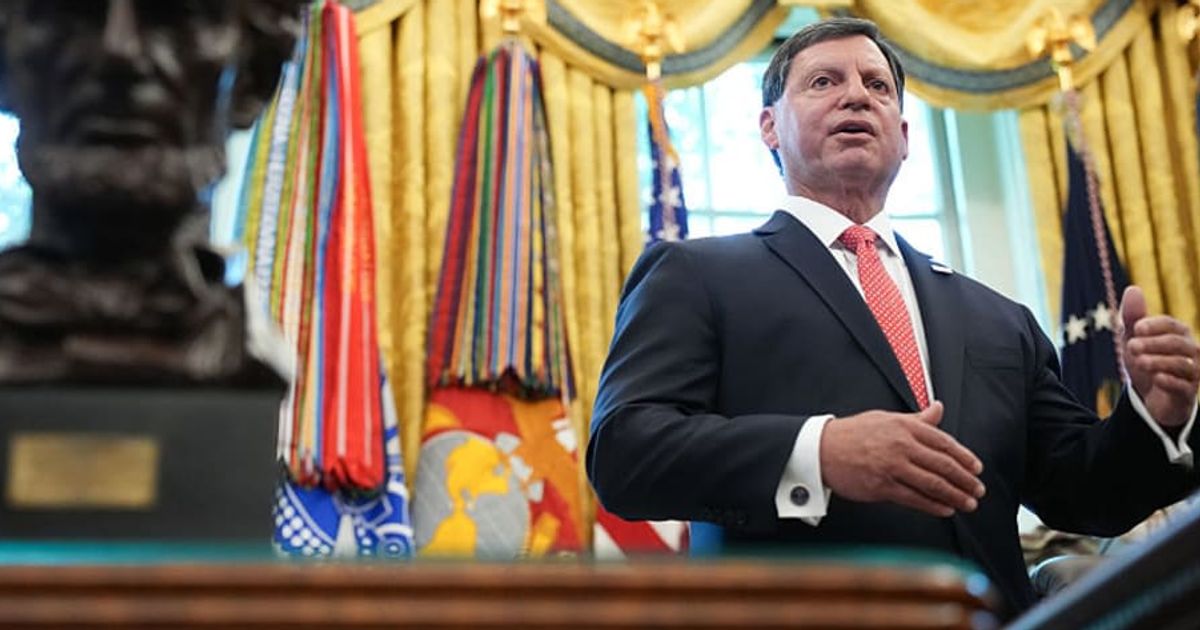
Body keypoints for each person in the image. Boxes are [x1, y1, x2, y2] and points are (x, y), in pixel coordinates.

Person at [586, 17, 1200, 616]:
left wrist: (1154, 417)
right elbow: (625, 453)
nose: (856, 94)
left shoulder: (999, 319)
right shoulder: (695, 275)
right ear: (770, 127)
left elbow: (1084, 497)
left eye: (877, 86)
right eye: (824, 82)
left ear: (904, 135)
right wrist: (820, 452)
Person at [0, 0, 302, 385]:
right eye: (69, 12)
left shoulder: (237, 349)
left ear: (254, 77)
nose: (120, 54)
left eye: (178, 13)